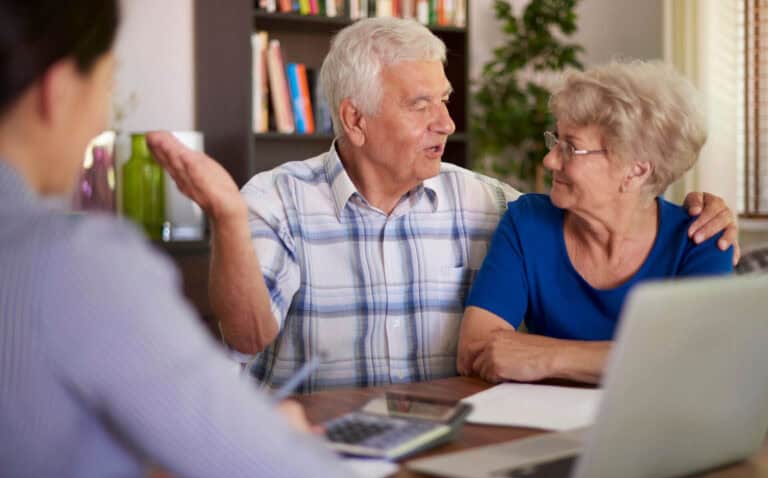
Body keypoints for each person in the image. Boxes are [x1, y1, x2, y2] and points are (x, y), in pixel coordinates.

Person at [148, 17, 739, 393]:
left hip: (444, 441)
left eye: (446, 100)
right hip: (311, 439)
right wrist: (227, 216)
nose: (447, 123)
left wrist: (704, 205)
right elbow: (248, 336)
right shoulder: (276, 200)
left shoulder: (488, 201)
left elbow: (610, 206)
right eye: (421, 104)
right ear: (354, 118)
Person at [0, 1, 368, 478]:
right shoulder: (77, 264)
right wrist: (276, 442)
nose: (102, 119)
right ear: (57, 91)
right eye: (106, 87)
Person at [457, 60, 733, 385]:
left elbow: (698, 364)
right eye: (555, 140)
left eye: (571, 148)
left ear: (635, 171)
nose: (549, 160)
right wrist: (644, 360)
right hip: (545, 424)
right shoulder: (528, 221)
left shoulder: (699, 238)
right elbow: (475, 351)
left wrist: (549, 357)